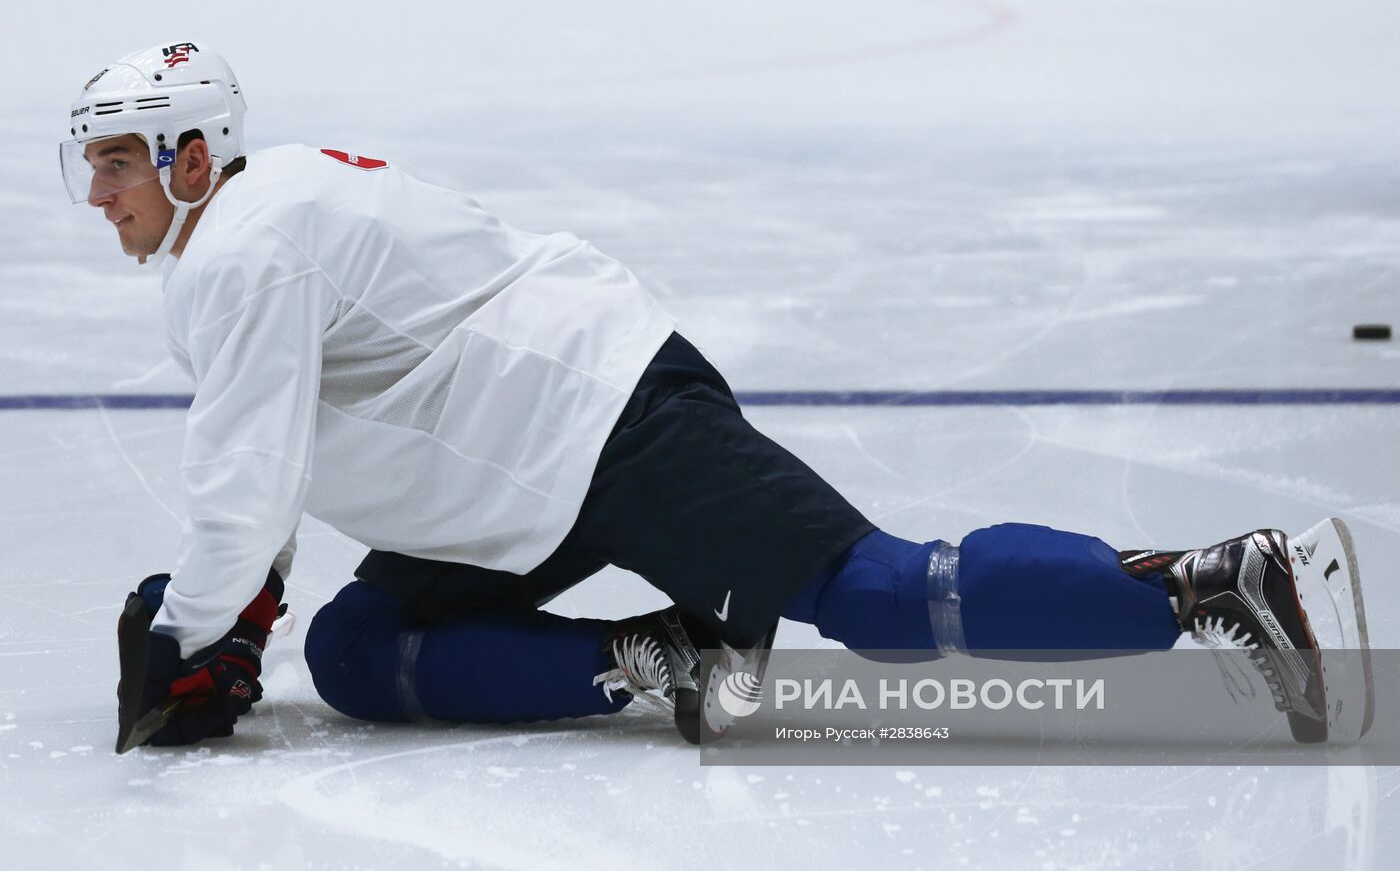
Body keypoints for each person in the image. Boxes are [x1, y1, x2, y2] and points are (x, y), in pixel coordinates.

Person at [64, 43, 1372, 749]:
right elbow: (276, 448)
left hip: (605, 429)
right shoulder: (262, 218)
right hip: (520, 472)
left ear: (193, 152)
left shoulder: (242, 245)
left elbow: (241, 490)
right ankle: (670, 657)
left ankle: (1214, 584)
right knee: (357, 652)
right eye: (94, 164)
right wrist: (228, 597)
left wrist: (189, 634)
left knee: (880, 592)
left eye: (123, 158)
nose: (103, 189)